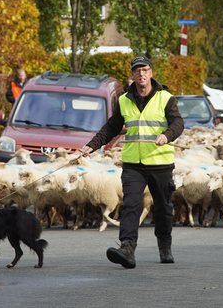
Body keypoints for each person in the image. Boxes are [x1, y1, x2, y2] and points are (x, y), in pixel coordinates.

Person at [79, 56, 184, 269]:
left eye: (145, 70)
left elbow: (178, 123)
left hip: (159, 163)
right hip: (133, 164)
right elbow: (112, 127)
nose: (141, 74)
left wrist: (167, 135)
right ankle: (127, 248)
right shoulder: (124, 100)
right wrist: (92, 145)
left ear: (151, 72)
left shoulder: (165, 98)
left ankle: (165, 246)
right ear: (133, 75)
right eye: (137, 71)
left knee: (163, 208)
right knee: (130, 205)